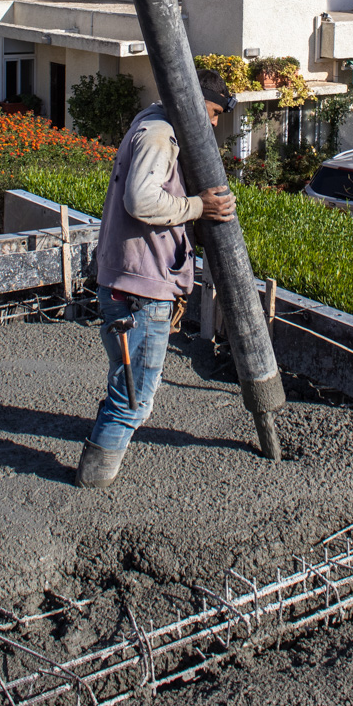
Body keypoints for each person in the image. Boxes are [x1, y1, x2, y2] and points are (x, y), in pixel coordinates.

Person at [75, 69, 236, 488]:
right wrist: (199, 207)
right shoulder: (159, 136)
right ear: (190, 101)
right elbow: (141, 200)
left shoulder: (151, 120)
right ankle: (92, 480)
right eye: (213, 112)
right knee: (134, 399)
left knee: (126, 386)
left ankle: (100, 448)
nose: (215, 123)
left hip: (127, 282)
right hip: (139, 292)